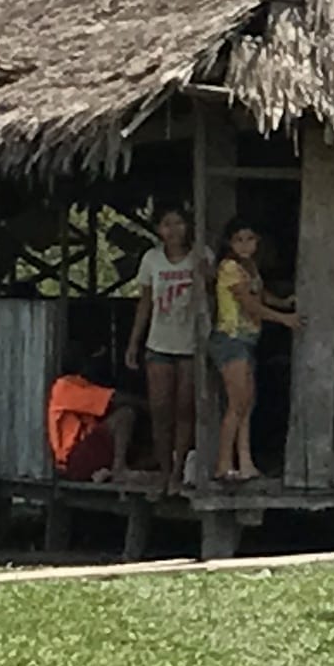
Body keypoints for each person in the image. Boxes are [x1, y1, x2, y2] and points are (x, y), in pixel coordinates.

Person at [208, 219, 298, 484]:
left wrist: (282, 302)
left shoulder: (249, 268)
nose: (245, 245)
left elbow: (261, 295)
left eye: (250, 239)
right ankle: (223, 464)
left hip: (247, 341)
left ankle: (245, 463)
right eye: (239, 240)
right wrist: (285, 319)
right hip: (230, 339)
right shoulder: (229, 268)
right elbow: (249, 305)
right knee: (236, 404)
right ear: (229, 243)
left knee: (247, 403)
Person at [132, 207, 205, 495]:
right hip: (158, 344)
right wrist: (133, 342)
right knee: (160, 409)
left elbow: (214, 289)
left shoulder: (200, 255)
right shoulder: (151, 259)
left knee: (185, 409)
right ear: (158, 229)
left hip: (190, 344)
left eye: (178, 223)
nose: (173, 229)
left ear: (188, 226)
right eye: (166, 223)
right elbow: (145, 303)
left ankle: (177, 472)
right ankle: (164, 470)